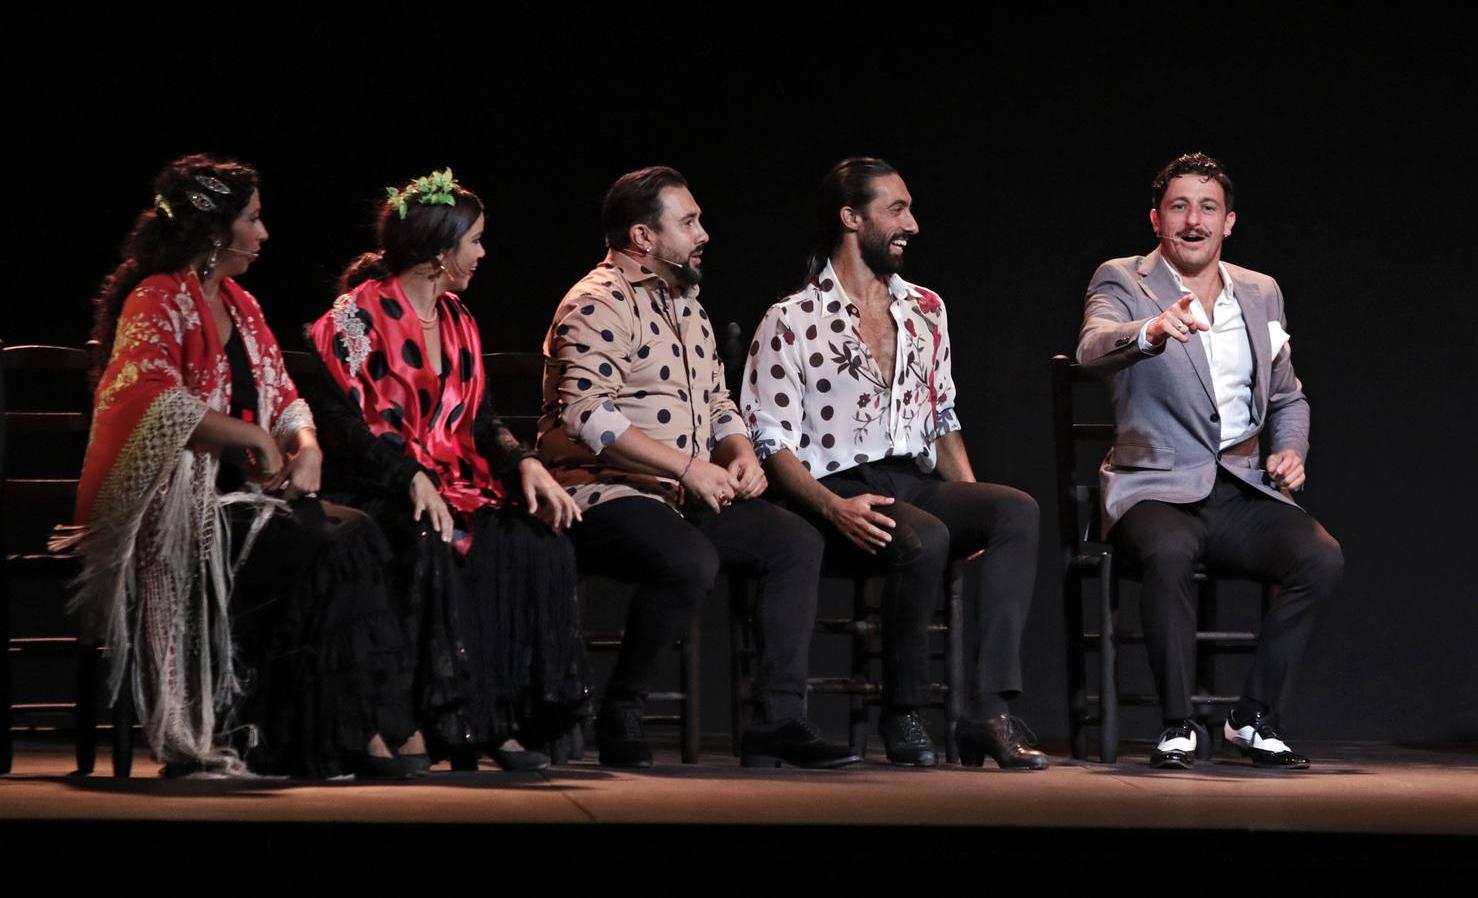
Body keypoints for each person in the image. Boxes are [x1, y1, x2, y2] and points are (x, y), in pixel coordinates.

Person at [64, 154, 422, 778]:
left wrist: (305, 444)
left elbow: (285, 396)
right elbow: (148, 399)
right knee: (335, 541)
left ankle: (345, 729)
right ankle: (345, 734)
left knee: (351, 533)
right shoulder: (156, 299)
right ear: (213, 230)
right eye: (253, 220)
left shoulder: (242, 304)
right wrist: (249, 433)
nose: (264, 234)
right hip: (178, 513)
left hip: (245, 505)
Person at [539, 165, 857, 769]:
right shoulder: (596, 301)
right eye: (688, 222)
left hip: (683, 496)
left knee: (793, 540)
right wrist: (687, 467)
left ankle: (778, 719)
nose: (703, 233)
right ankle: (622, 706)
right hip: (602, 493)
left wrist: (737, 451)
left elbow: (716, 401)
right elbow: (583, 412)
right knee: (688, 559)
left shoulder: (687, 304)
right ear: (642, 237)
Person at [742, 157, 1047, 770]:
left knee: (1013, 510)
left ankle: (986, 712)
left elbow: (943, 418)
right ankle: (901, 711)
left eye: (910, 208)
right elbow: (770, 441)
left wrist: (971, 505)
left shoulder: (927, 309)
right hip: (832, 489)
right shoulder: (791, 319)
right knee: (924, 536)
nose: (912, 223)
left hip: (911, 477)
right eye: (896, 209)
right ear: (851, 218)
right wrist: (833, 507)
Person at [305, 169, 586, 771]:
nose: (483, 252)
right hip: (377, 484)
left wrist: (526, 464)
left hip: (455, 482)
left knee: (536, 542)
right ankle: (427, 721)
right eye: (475, 240)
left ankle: (492, 719)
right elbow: (342, 425)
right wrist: (408, 475)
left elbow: (480, 421)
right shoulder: (354, 316)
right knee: (432, 538)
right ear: (440, 251)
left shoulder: (458, 319)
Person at [1076, 152, 1344, 769]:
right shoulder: (1124, 279)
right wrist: (1150, 331)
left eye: (1208, 208)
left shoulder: (1259, 291)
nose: (1193, 220)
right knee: (1169, 554)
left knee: (1319, 557)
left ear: (1229, 223)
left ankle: (1252, 718)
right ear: (1156, 218)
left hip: (1239, 486)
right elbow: (1092, 349)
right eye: (1179, 207)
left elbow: (1288, 396)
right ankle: (1177, 725)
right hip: (1154, 485)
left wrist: (1289, 449)